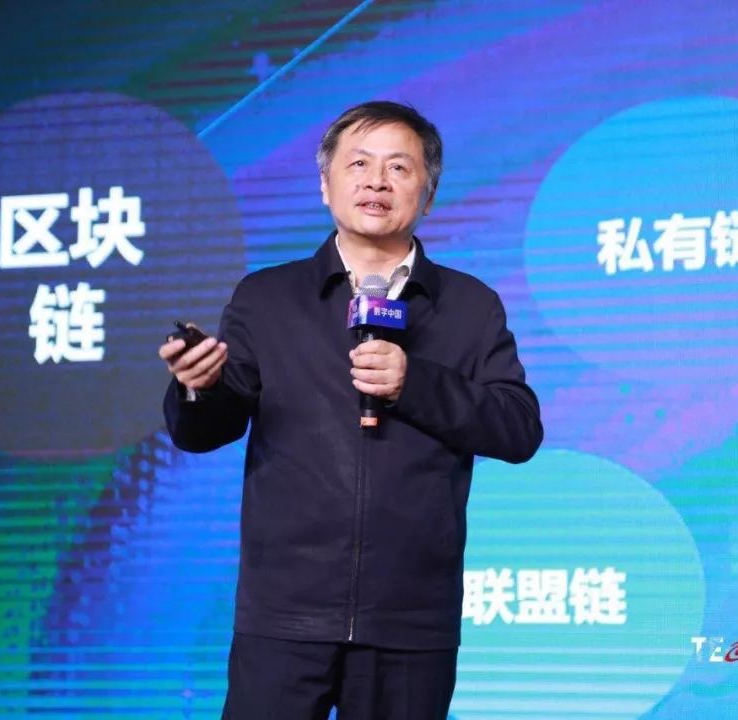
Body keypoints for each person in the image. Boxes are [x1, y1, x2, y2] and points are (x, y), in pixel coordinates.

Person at [158, 100, 543, 720]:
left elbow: (518, 427)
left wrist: (415, 383)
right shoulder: (267, 297)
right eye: (358, 164)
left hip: (411, 620)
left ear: (428, 193)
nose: (376, 182)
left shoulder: (471, 306)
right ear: (325, 185)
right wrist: (198, 387)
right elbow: (209, 430)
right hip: (284, 614)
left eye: (399, 167)